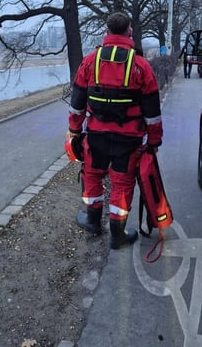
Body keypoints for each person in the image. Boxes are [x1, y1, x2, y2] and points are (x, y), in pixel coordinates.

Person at [68, 12, 164, 249]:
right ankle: (117, 235)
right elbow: (152, 112)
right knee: (122, 183)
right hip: (127, 139)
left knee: (92, 175)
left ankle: (92, 223)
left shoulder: (90, 61)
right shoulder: (141, 66)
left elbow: (77, 103)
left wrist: (74, 131)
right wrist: (153, 142)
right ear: (129, 32)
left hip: (96, 135)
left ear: (107, 32)